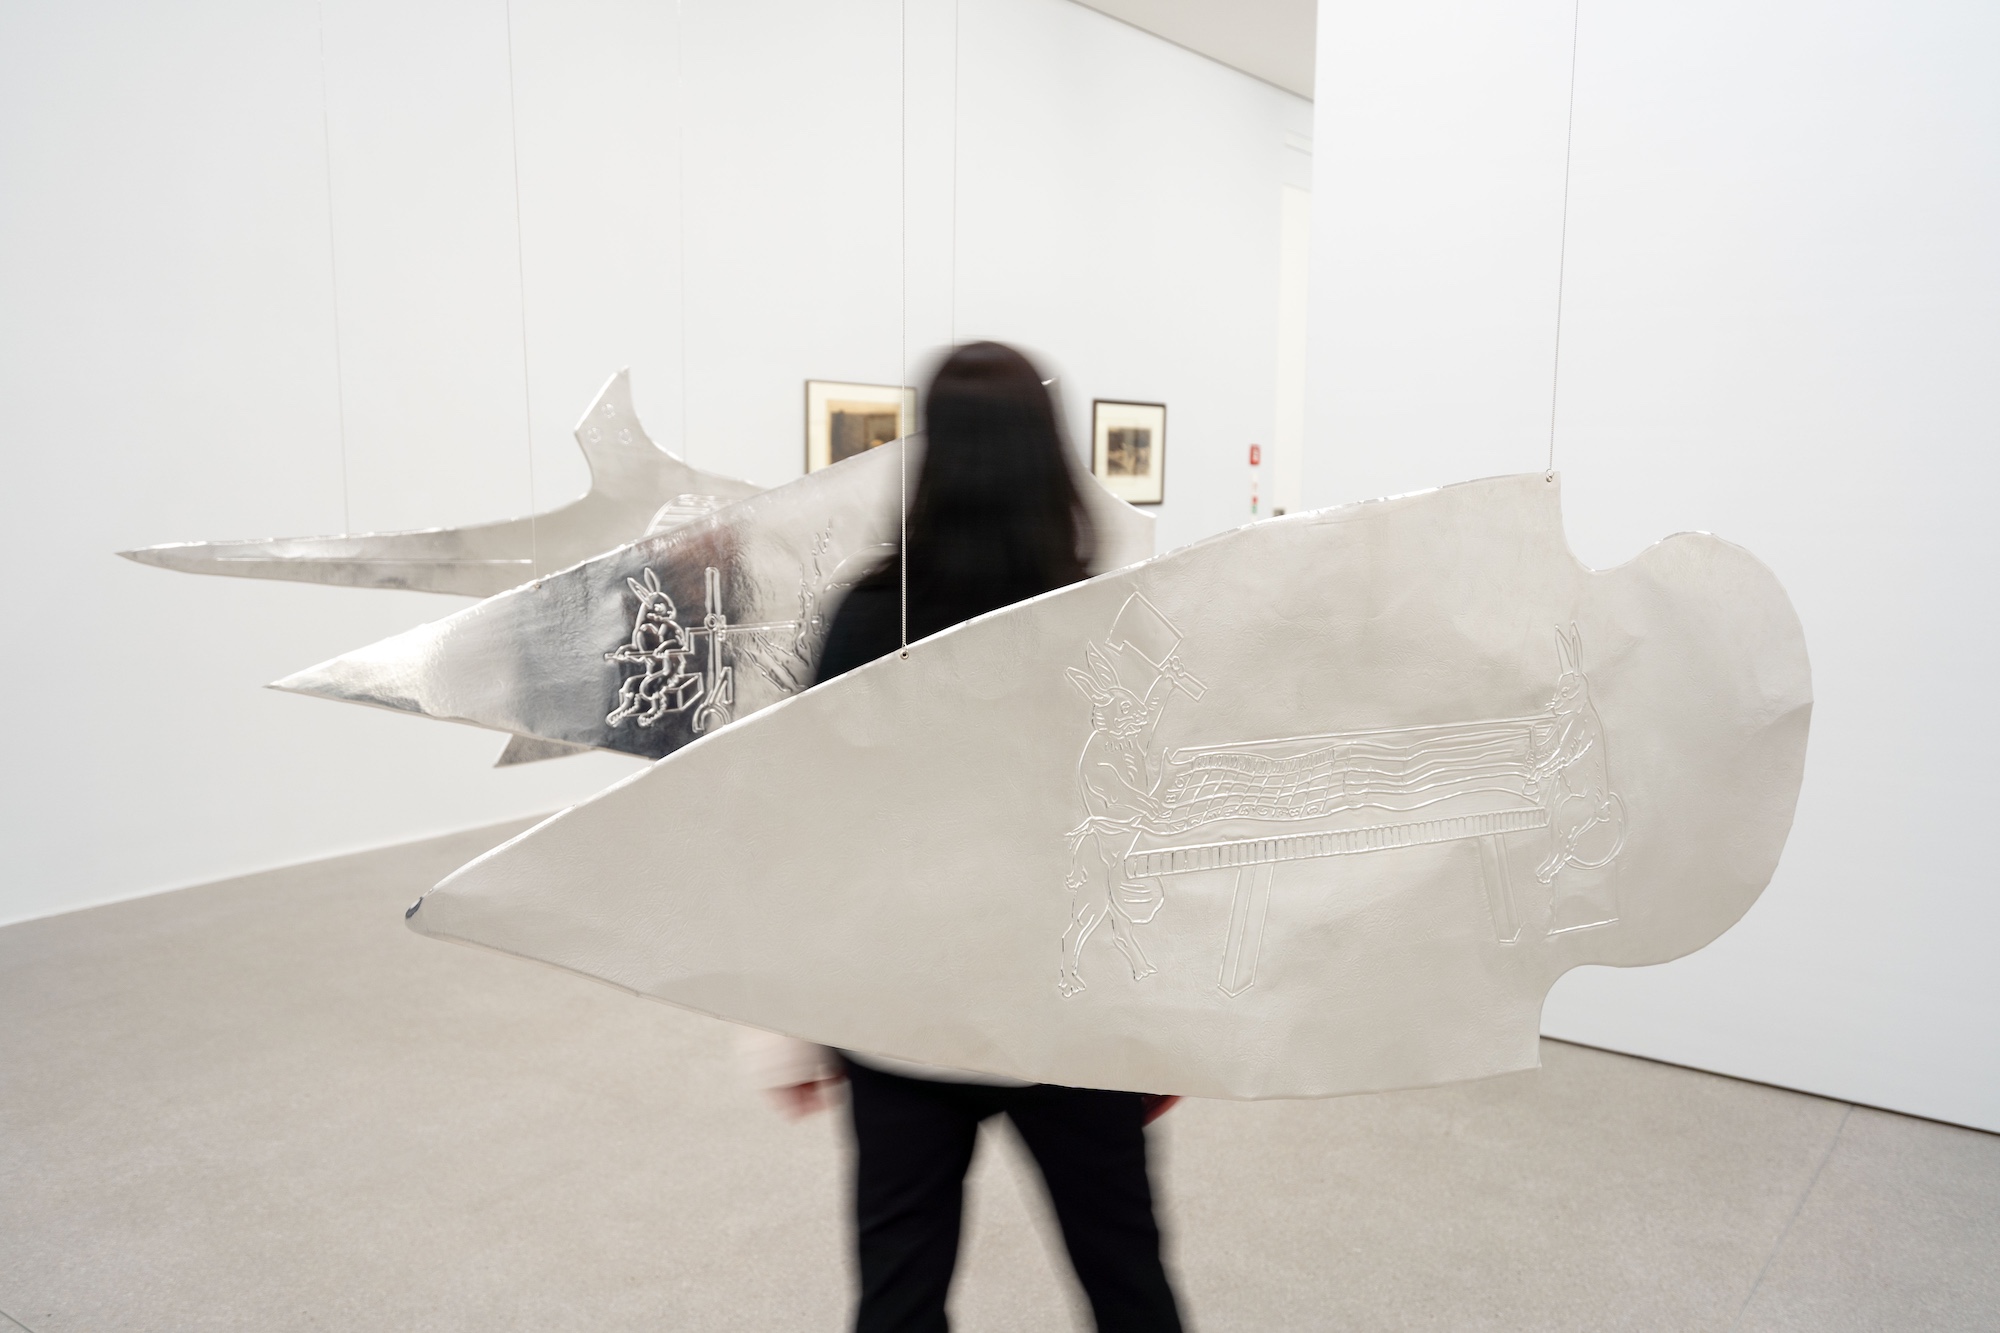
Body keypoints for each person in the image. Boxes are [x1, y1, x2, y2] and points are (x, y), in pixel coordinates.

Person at [762, 342, 1185, 1333]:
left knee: (899, 1296)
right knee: (1128, 1282)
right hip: (1069, 1012)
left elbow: (813, 832)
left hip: (899, 1012)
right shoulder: (1106, 625)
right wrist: (1165, 1027)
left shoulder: (865, 619)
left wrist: (796, 1019)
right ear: (1051, 457)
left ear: (932, 453)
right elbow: (1148, 834)